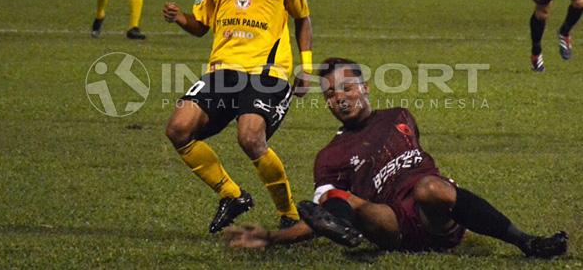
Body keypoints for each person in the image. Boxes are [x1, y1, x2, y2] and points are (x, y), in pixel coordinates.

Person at [223, 58, 569, 259]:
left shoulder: (399, 116)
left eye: (347, 88)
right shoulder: (329, 156)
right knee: (332, 199)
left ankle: (527, 241)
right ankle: (345, 229)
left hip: (435, 213)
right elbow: (320, 214)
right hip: (391, 226)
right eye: (330, 94)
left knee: (430, 186)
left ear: (366, 88)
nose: (339, 98)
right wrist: (271, 237)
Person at [161, 0, 313, 234]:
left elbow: (303, 20)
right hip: (223, 71)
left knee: (249, 137)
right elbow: (201, 26)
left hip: (267, 73)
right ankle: (232, 195)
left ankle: (289, 215)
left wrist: (307, 67)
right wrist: (181, 18)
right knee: (178, 130)